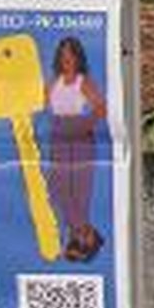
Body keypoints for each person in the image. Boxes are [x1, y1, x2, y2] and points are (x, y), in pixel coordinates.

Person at [43, 34, 107, 260]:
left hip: (79, 133)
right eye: (63, 56)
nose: (66, 60)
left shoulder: (84, 82)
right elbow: (38, 103)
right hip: (59, 133)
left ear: (78, 58)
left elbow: (101, 108)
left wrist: (84, 125)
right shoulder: (53, 82)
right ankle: (86, 235)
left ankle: (77, 238)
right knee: (58, 186)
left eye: (70, 56)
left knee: (79, 188)